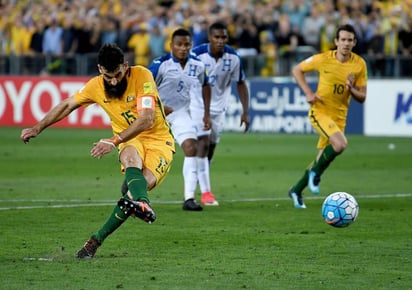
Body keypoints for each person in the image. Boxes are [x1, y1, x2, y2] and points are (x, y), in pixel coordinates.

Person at [20, 43, 175, 258]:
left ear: (126, 66)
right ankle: (137, 207)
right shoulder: (95, 86)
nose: (114, 81)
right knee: (130, 157)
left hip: (159, 141)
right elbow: (67, 105)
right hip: (130, 141)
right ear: (100, 69)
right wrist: (38, 127)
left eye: (118, 75)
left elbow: (146, 119)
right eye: (109, 76)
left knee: (137, 189)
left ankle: (100, 235)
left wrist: (112, 141)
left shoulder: (142, 75)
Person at [289, 24, 367, 209]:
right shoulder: (323, 59)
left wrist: (352, 89)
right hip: (320, 111)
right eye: (343, 40)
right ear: (336, 42)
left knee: (321, 157)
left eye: (350, 40)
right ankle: (315, 174)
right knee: (340, 144)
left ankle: (296, 190)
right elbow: (297, 70)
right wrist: (308, 92)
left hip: (340, 117)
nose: (346, 43)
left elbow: (362, 97)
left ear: (354, 42)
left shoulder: (359, 64)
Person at [148, 28, 211, 211]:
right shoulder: (161, 64)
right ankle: (132, 182)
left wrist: (206, 113)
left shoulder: (197, 65)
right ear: (171, 46)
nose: (183, 48)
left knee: (191, 147)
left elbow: (206, 85)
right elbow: (144, 88)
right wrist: (158, 106)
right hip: (155, 114)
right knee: (147, 155)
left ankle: (189, 198)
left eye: (187, 45)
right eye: (179, 45)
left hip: (180, 112)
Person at [191, 22, 250, 206]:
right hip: (198, 105)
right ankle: (206, 193)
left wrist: (245, 111)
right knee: (203, 143)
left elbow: (240, 83)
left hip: (220, 109)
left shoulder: (233, 58)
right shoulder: (197, 55)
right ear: (209, 37)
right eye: (216, 37)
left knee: (210, 148)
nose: (220, 41)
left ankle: (202, 174)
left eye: (224, 37)